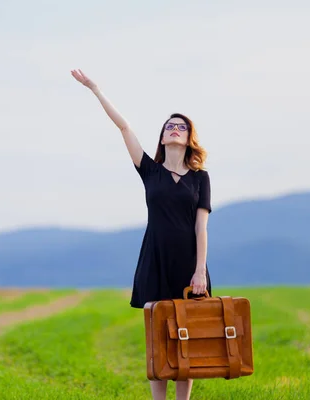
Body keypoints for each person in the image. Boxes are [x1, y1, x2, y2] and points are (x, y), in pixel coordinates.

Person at [71, 68, 212, 400]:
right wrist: (95, 89)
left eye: (182, 126)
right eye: (169, 126)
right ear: (162, 138)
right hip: (154, 260)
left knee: (185, 337)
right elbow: (124, 126)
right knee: (158, 338)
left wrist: (200, 270)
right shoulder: (149, 170)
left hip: (189, 264)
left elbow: (201, 226)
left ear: (189, 137)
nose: (175, 129)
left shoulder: (200, 178)